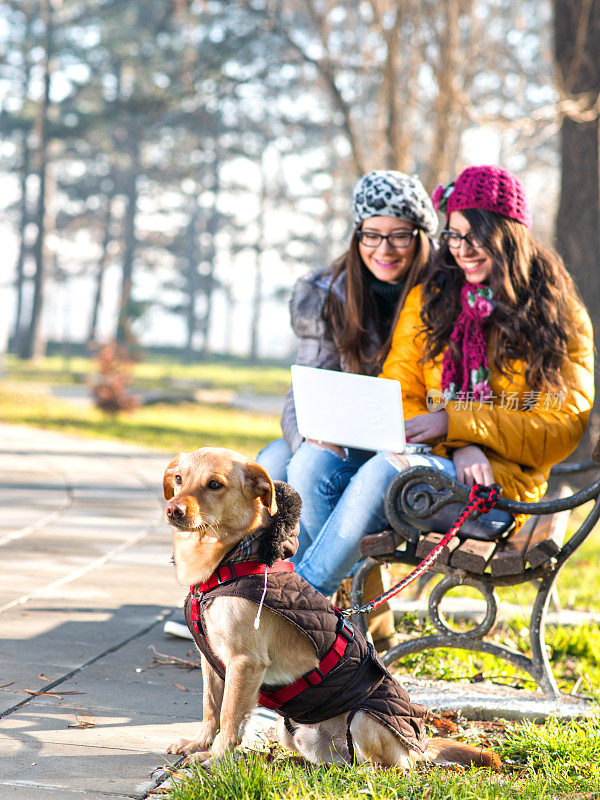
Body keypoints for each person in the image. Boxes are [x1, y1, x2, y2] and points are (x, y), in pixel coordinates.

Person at [291, 164, 594, 599]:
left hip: (498, 491)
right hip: (429, 463)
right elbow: (399, 391)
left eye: (477, 236)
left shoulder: (556, 314)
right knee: (309, 465)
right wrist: (456, 438)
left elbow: (563, 426)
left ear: (509, 234)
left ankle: (299, 607)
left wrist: (459, 425)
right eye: (453, 235)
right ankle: (345, 621)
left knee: (387, 472)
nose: (462, 250)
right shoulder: (431, 298)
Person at [257, 170, 438, 648]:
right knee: (275, 462)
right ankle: (346, 618)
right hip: (338, 434)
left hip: (409, 439)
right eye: (372, 235)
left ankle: (294, 616)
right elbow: (304, 389)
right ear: (357, 235)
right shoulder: (328, 292)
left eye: (400, 234)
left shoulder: (442, 293)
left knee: (304, 467)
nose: (385, 248)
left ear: (420, 235)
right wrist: (310, 434)